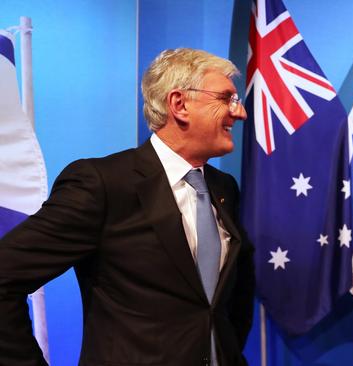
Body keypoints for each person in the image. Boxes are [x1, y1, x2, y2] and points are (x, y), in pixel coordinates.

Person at [0, 48, 254, 366]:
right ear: (180, 104)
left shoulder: (224, 188)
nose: (240, 112)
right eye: (226, 98)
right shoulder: (103, 184)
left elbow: (228, 302)